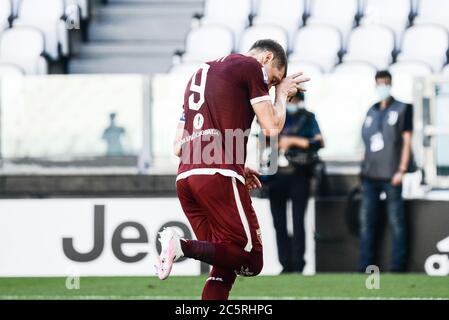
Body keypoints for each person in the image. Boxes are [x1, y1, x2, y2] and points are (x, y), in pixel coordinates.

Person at [154, 39, 310, 300]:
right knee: (252, 259)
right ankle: (180, 245)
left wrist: (237, 163)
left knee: (225, 262)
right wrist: (281, 95)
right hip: (217, 174)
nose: (271, 85)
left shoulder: (198, 74)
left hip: (186, 178)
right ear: (266, 58)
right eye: (274, 79)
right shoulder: (250, 66)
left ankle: (184, 250)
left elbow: (177, 146)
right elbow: (271, 128)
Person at [359, 70, 413, 273]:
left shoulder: (403, 109)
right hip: (370, 175)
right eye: (379, 83)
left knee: (396, 222)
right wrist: (363, 169)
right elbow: (366, 144)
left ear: (390, 84)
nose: (382, 87)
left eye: (385, 83)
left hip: (392, 174)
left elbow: (407, 142)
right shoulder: (371, 110)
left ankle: (398, 267)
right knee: (367, 223)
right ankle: (365, 267)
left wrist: (402, 169)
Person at [268, 91, 324, 273]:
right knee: (279, 223)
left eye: (295, 100)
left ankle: (299, 263)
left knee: (298, 221)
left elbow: (319, 142)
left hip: (299, 173)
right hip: (275, 175)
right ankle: (285, 264)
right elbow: (263, 139)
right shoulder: (274, 118)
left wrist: (292, 141)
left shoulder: (308, 118)